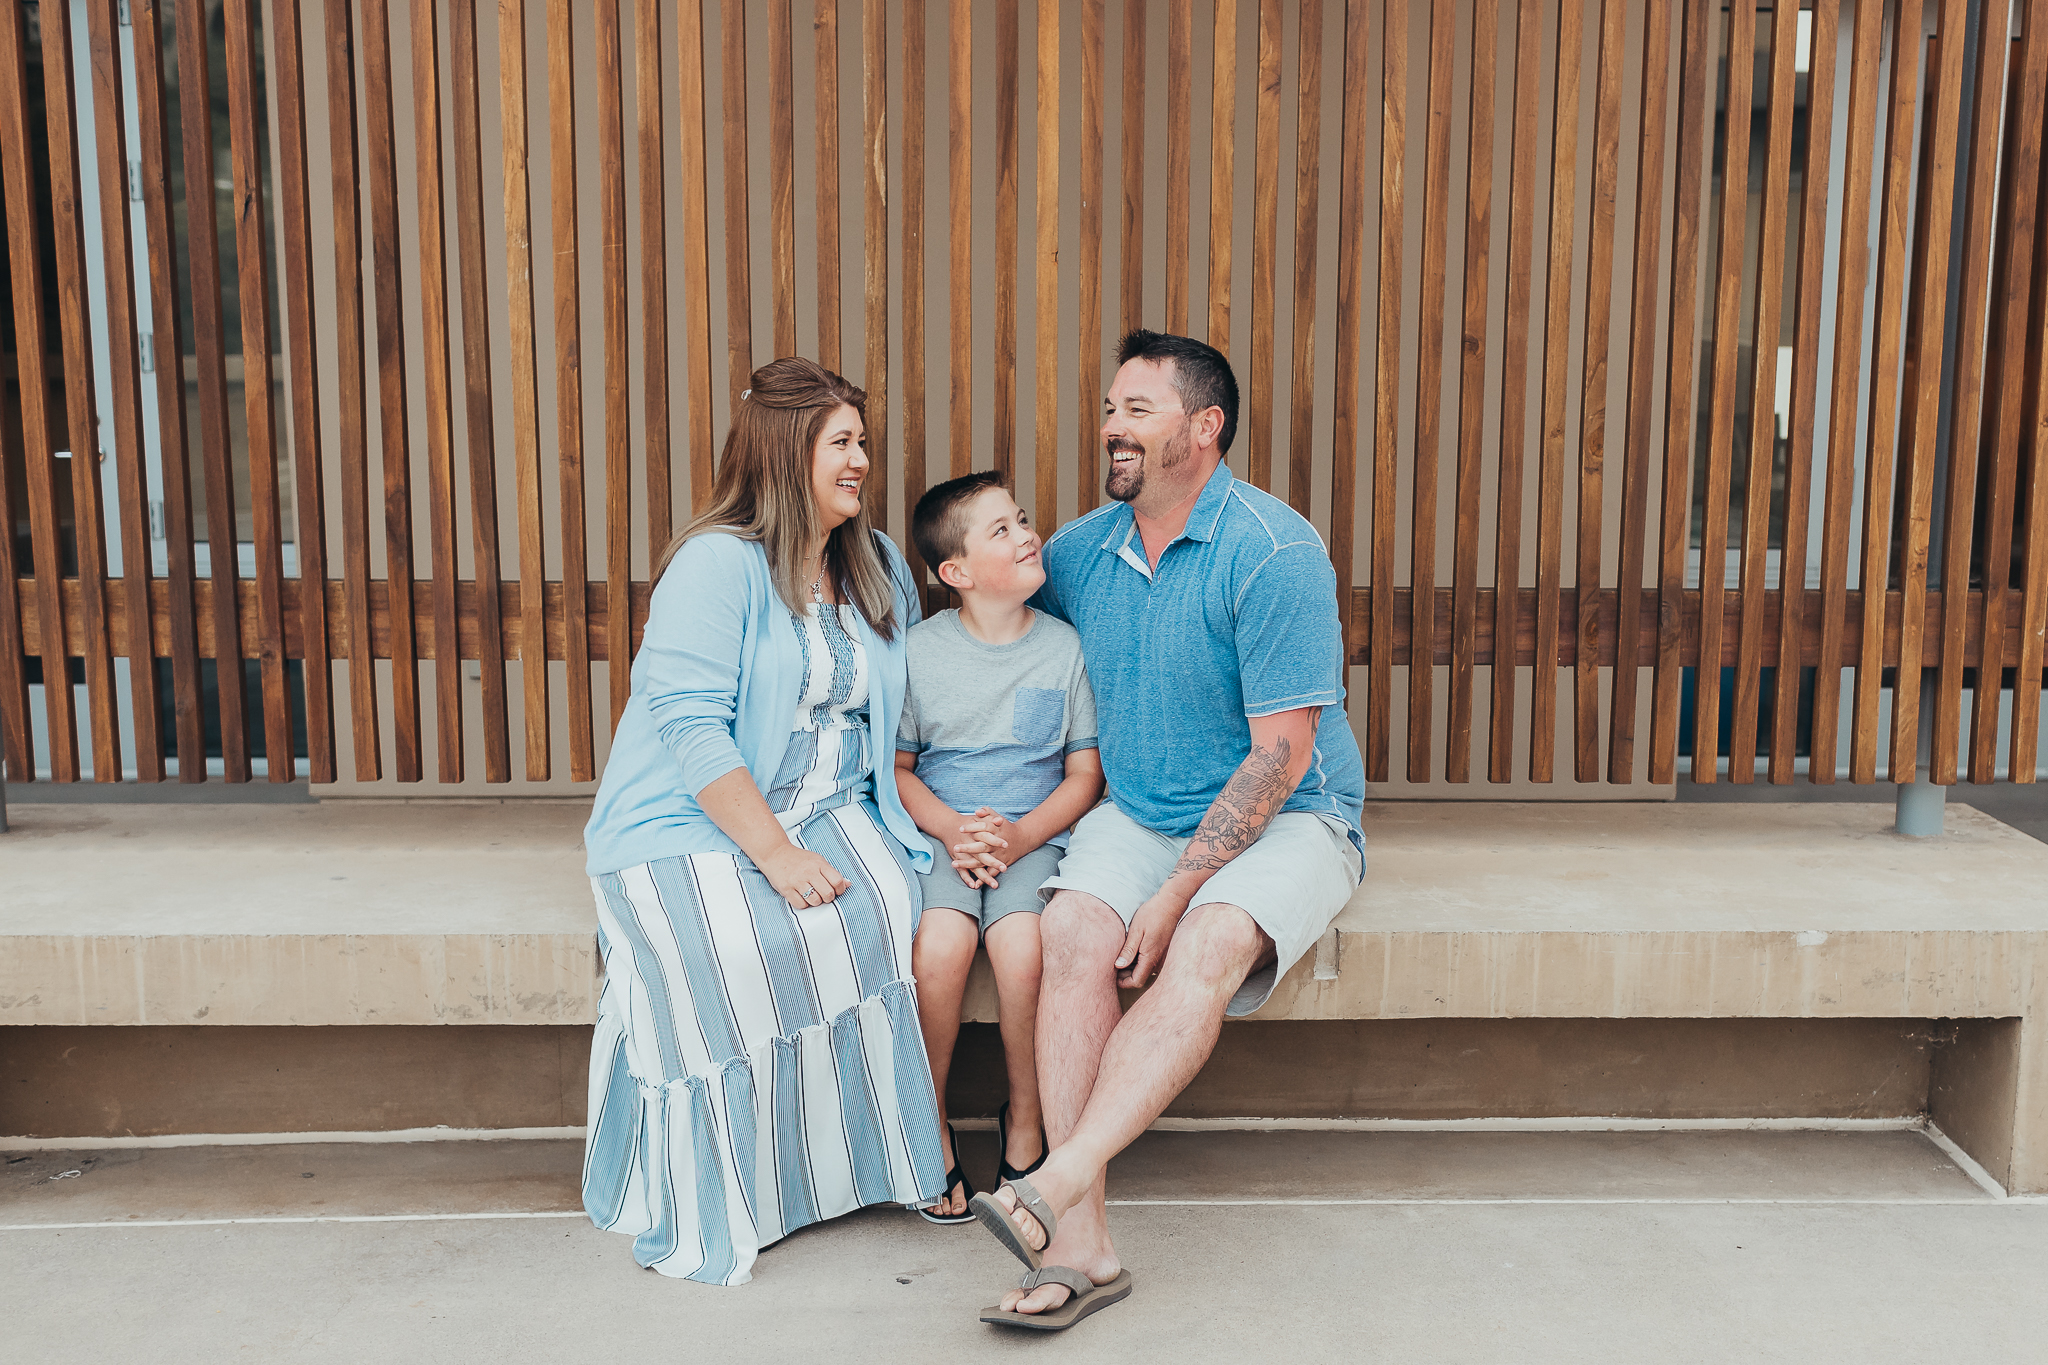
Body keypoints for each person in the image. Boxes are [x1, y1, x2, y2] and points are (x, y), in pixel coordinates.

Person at [968, 330, 1366, 1331]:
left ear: (1203, 426)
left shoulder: (1273, 552)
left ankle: (1052, 1187)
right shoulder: (1074, 554)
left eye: (1135, 411)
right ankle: (1083, 1241)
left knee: (1207, 942)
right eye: (1108, 409)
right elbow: (978, 628)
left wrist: (1177, 889)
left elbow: (1277, 759)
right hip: (1138, 810)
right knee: (1069, 937)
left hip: (1289, 820)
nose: (1110, 428)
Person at [579, 358, 946, 1286]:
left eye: (862, 441)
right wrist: (775, 853)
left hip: (833, 803)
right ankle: (744, 1191)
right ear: (788, 452)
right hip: (692, 817)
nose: (862, 459)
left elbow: (899, 711)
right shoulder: (717, 563)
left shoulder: (875, 565)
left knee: (890, 913)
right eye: (842, 443)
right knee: (740, 949)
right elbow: (692, 727)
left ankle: (842, 1171)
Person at [895, 472, 1105, 1224]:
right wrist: (954, 830)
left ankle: (1026, 1121)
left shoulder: (1064, 648)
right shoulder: (917, 653)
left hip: (1034, 837)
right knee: (940, 947)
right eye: (1001, 531)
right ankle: (927, 1124)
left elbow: (1084, 774)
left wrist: (1020, 837)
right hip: (943, 839)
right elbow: (898, 769)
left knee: (1023, 947)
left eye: (1023, 518)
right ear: (955, 572)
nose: (1026, 535)